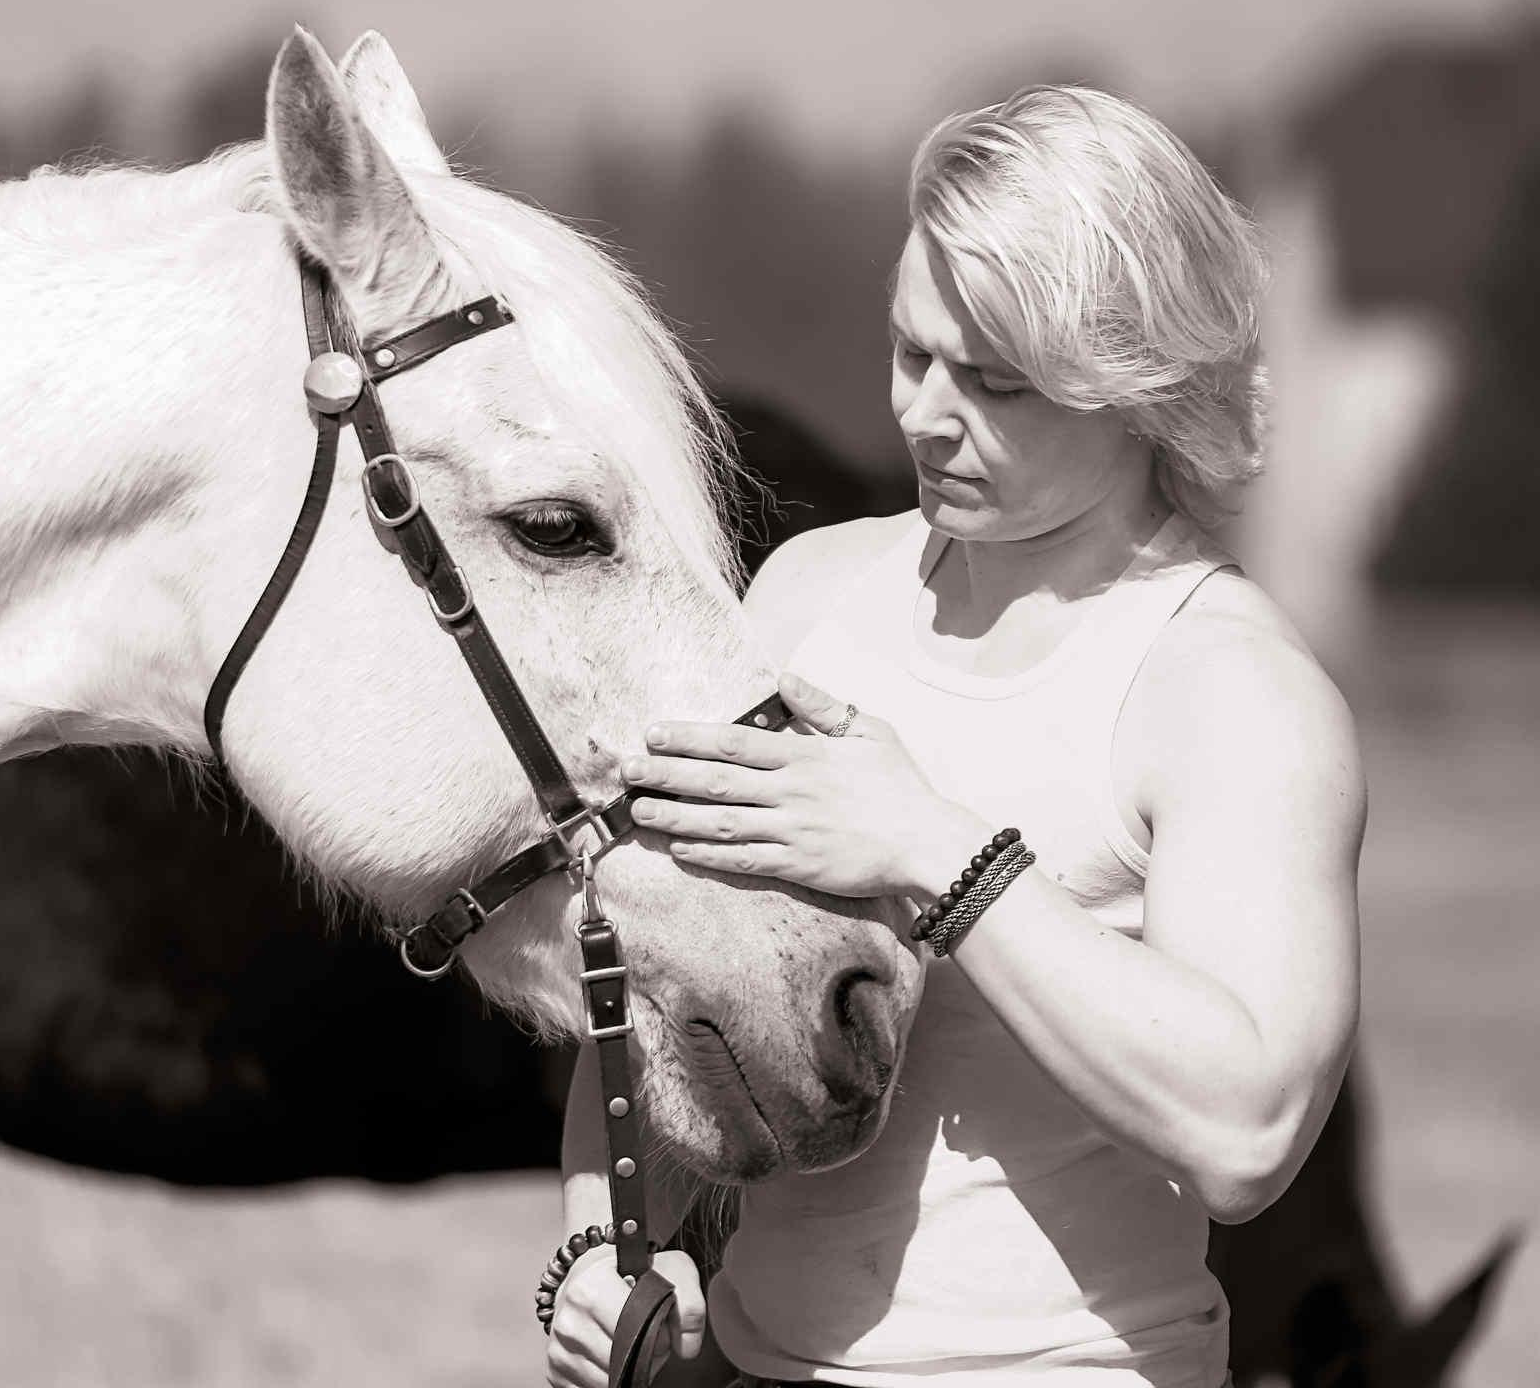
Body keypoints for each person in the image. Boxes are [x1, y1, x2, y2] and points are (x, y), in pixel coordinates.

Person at [543, 84, 1364, 1387]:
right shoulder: (803, 596)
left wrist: (937, 846)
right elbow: (654, 995)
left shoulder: (1231, 691)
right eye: (910, 351)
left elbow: (1247, 1127)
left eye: (995, 383)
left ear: (1134, 381)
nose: (925, 413)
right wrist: (601, 1246)